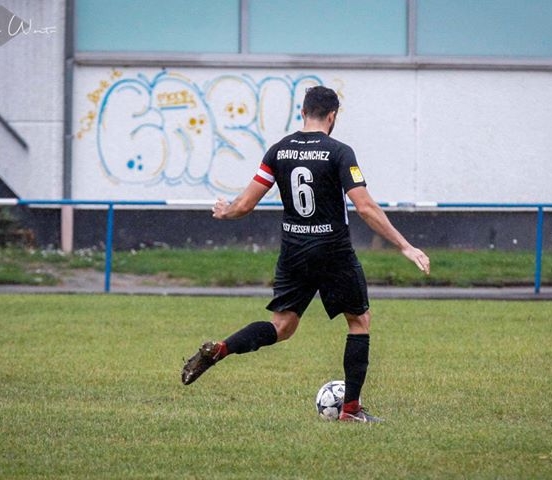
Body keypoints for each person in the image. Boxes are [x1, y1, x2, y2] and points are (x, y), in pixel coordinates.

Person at [181, 86, 429, 422]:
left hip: (293, 251)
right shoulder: (339, 152)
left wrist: (226, 211)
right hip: (332, 251)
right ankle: (350, 411)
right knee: (359, 322)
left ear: (302, 113)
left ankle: (222, 349)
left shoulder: (278, 151)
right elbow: (365, 207)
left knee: (282, 325)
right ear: (332, 116)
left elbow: (245, 204)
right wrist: (405, 245)